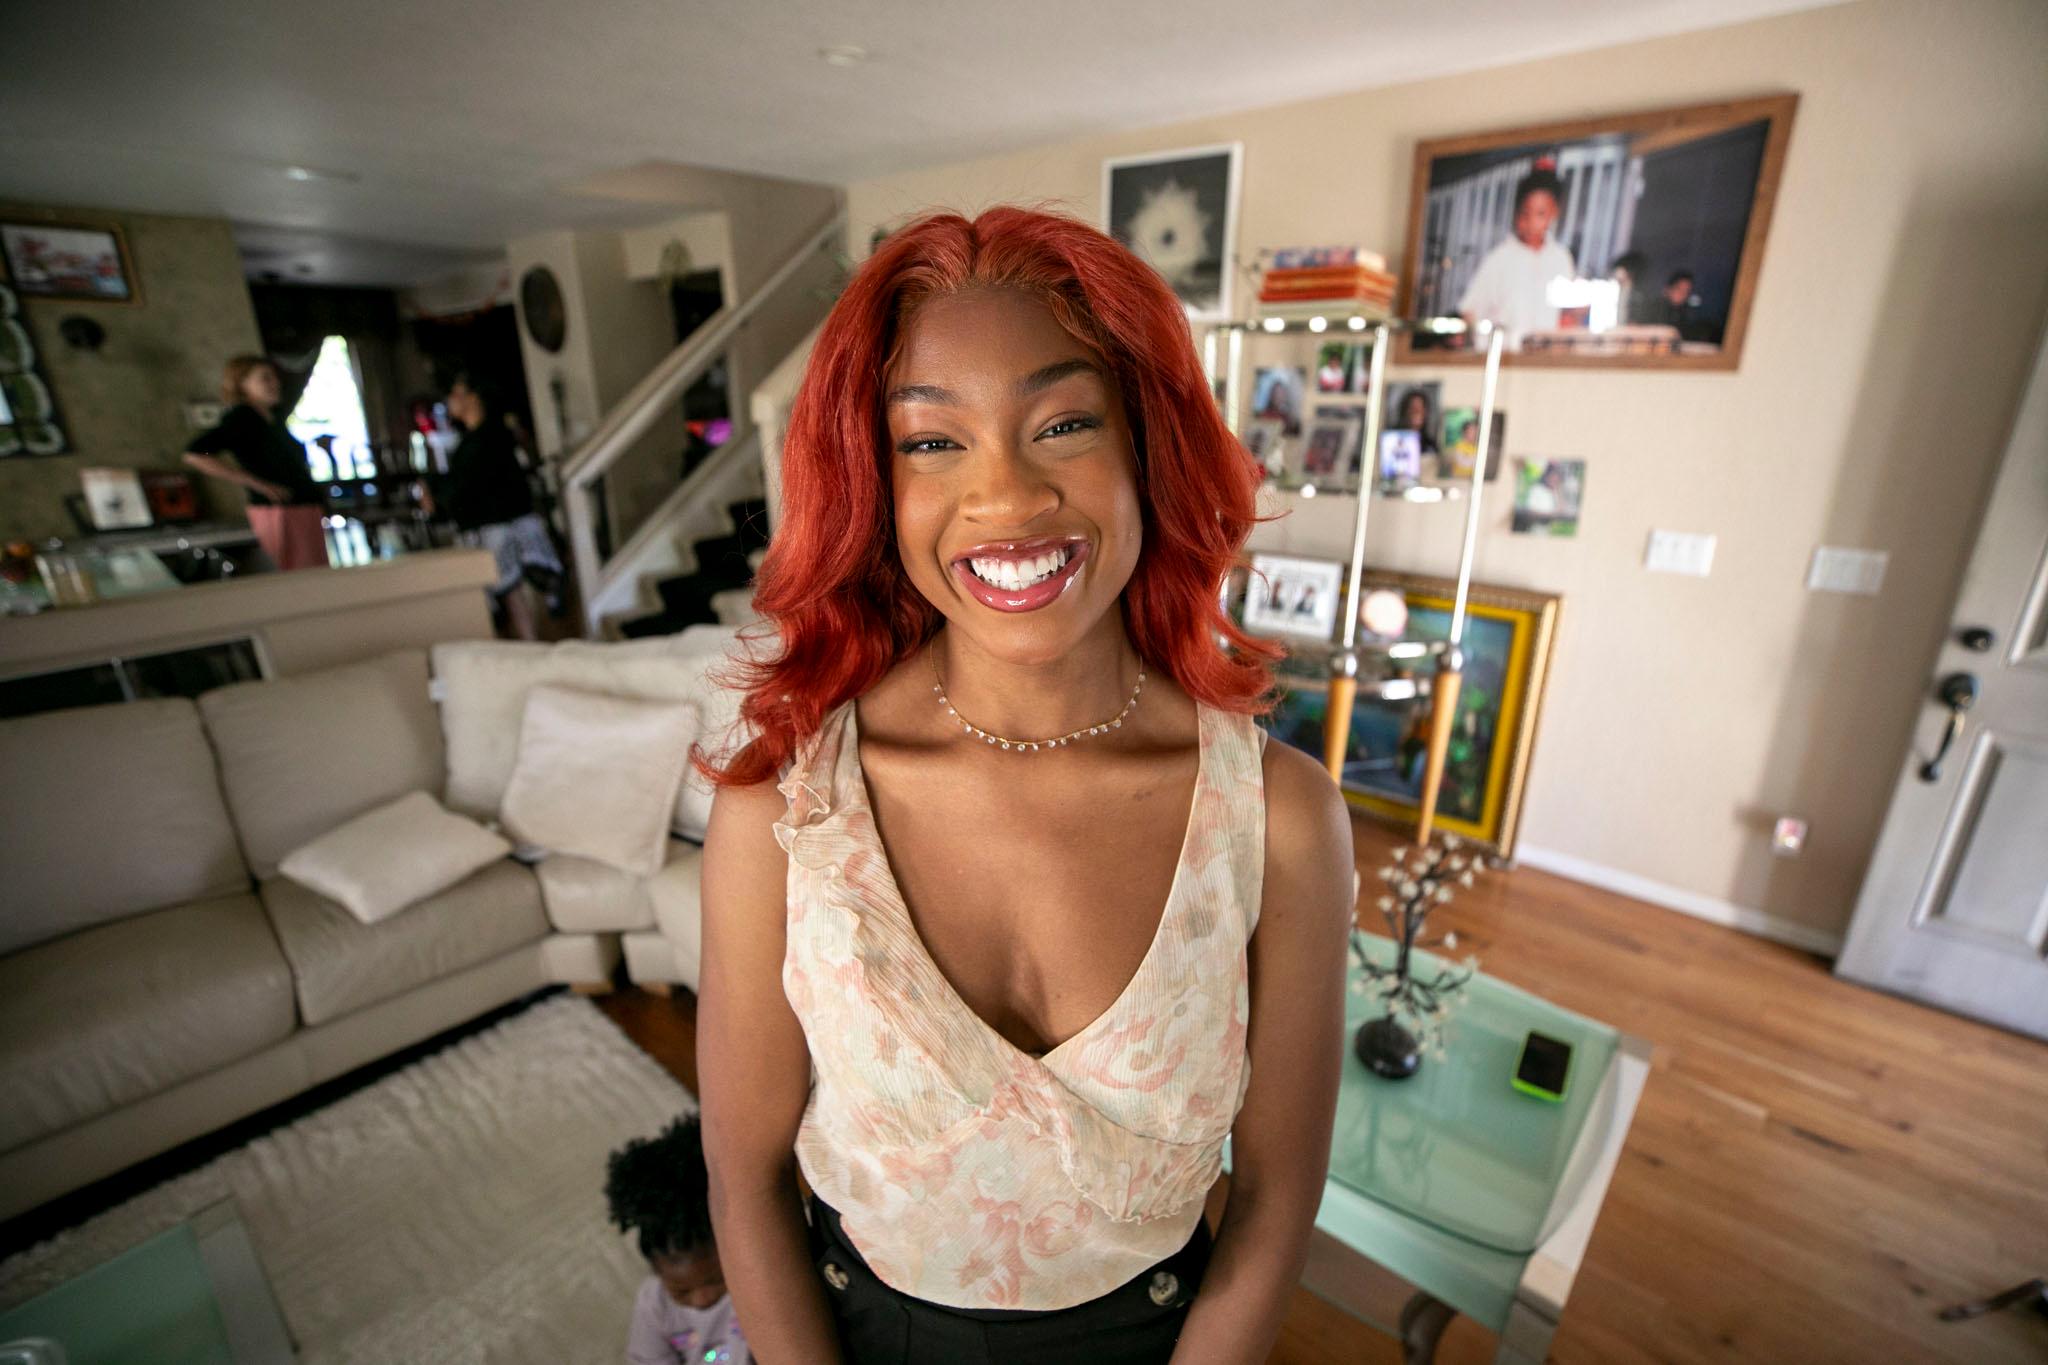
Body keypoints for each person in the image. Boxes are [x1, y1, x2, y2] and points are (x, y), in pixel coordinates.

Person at [698, 206, 1353, 1365]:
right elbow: (743, 1182)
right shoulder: (782, 814)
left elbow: (1275, 1196)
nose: (1003, 499)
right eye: (932, 442)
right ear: (870, 480)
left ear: (1147, 449)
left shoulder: (1279, 817)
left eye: (1061, 424)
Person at [426, 373, 562, 639]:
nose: (450, 401)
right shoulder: (478, 440)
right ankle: (530, 650)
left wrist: (438, 494)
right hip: (494, 527)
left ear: (473, 398)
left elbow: (472, 487)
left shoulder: (488, 439)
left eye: (456, 393)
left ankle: (533, 650)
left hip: (501, 529)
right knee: (512, 598)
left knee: (513, 595)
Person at [606, 1115, 751, 1365]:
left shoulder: (751, 1284)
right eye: (681, 1292)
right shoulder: (655, 1304)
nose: (702, 1299)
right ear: (657, 1273)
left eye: (716, 1280)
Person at [183, 355, 326, 570]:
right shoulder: (242, 419)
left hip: (300, 508)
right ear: (243, 385)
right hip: (278, 512)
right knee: (298, 577)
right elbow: (194, 453)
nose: (274, 384)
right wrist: (258, 484)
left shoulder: (272, 418)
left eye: (273, 378)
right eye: (265, 379)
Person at [1456, 161, 1576, 348]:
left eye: (1541, 214)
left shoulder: (1561, 258)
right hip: (1502, 358)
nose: (1532, 222)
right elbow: (1469, 311)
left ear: (1554, 213)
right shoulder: (1500, 258)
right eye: (1526, 213)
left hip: (1544, 361)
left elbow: (1566, 315)